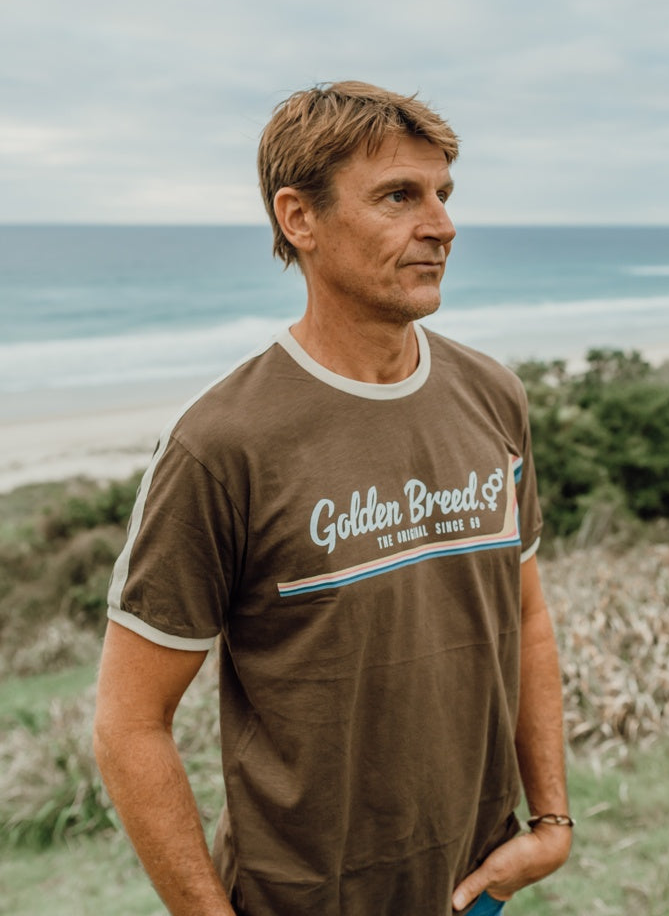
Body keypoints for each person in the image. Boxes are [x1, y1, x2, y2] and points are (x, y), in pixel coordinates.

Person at [93, 81, 572, 915]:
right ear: (299, 218)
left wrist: (552, 821)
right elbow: (129, 725)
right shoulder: (221, 443)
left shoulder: (493, 396)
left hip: (475, 888)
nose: (442, 226)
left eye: (443, 195)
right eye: (399, 196)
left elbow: (525, 615)